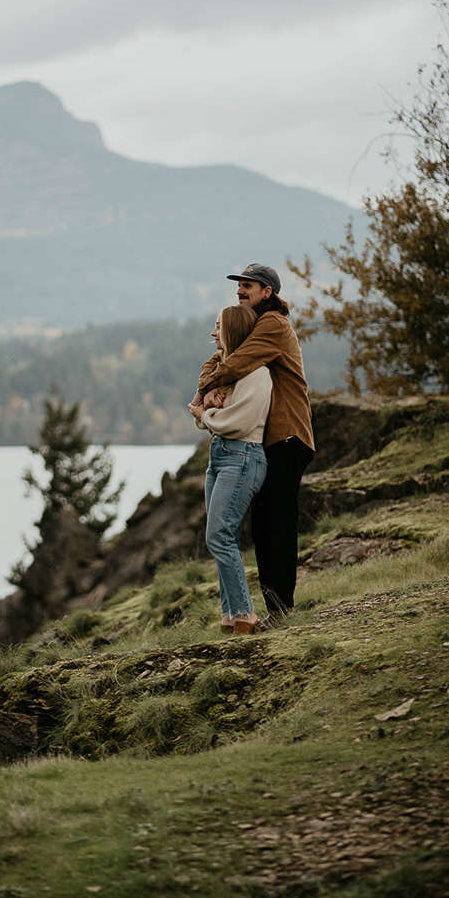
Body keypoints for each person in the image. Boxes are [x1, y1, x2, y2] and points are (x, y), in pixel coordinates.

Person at [190, 263, 314, 628]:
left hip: (286, 434)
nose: (241, 291)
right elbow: (219, 358)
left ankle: (280, 610)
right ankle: (268, 608)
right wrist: (206, 385)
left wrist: (201, 397)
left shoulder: (272, 324)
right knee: (263, 526)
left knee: (276, 523)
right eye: (240, 286)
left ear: (268, 292)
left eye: (249, 286)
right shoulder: (254, 325)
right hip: (268, 438)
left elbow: (238, 360)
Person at [190, 304, 272, 635]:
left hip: (242, 456)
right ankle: (229, 615)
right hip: (221, 455)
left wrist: (205, 415)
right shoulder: (230, 372)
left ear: (232, 330)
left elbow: (238, 421)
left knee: (219, 535)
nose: (212, 333)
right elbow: (208, 416)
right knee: (222, 535)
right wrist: (207, 411)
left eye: (217, 327)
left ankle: (245, 615)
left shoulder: (256, 374)